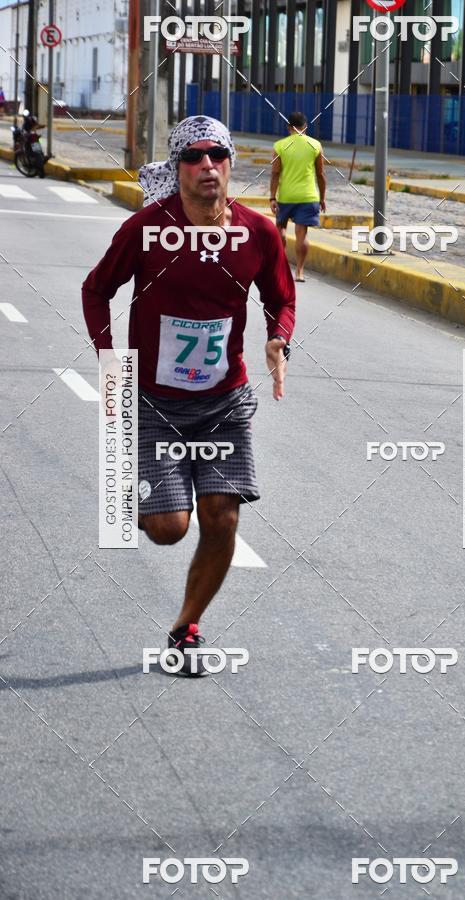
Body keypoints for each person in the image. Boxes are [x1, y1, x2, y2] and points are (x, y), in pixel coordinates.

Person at [82, 116, 295, 676]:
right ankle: (143, 492)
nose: (208, 166)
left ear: (230, 166)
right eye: (194, 157)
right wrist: (110, 360)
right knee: (168, 529)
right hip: (154, 400)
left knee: (222, 518)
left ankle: (185, 629)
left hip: (224, 400)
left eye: (218, 155)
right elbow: (96, 289)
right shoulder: (148, 230)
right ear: (177, 170)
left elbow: (281, 297)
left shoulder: (259, 233)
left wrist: (279, 340)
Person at [270, 111, 326, 282]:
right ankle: (300, 271)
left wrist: (272, 197)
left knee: (280, 230)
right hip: (308, 197)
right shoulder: (315, 145)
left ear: (289, 128)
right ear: (305, 127)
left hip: (286, 196)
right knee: (302, 235)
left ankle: (282, 266)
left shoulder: (279, 146)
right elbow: (320, 174)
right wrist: (322, 198)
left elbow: (275, 174)